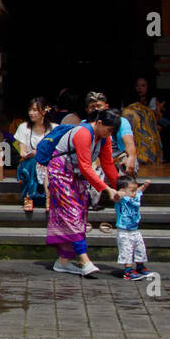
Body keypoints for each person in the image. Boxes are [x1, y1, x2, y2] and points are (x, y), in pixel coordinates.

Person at [45, 109, 122, 277]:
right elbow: (86, 167)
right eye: (109, 130)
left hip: (76, 176)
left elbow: (108, 164)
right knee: (72, 214)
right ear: (100, 123)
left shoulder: (104, 138)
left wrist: (121, 188)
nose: (110, 134)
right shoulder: (83, 133)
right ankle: (84, 260)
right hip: (60, 173)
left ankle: (63, 261)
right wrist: (106, 189)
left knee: (80, 215)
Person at [13, 97, 52, 214]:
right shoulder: (23, 128)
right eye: (30, 110)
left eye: (35, 110)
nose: (31, 113)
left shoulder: (53, 128)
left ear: (44, 111)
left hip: (48, 162)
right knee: (34, 161)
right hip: (28, 162)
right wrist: (32, 154)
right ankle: (28, 197)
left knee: (47, 164)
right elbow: (22, 152)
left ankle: (49, 199)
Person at [85, 91, 135, 175]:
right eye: (92, 107)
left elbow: (129, 143)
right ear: (87, 110)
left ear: (106, 107)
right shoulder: (84, 126)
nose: (96, 109)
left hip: (117, 157)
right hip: (95, 159)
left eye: (99, 106)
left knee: (126, 161)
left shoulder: (121, 121)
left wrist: (131, 157)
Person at [113, 175, 152, 281]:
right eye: (132, 191)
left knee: (140, 248)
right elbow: (115, 197)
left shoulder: (135, 196)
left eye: (135, 190)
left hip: (135, 230)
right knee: (126, 250)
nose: (135, 193)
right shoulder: (121, 200)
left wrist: (145, 185)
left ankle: (140, 266)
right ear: (123, 191)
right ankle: (128, 271)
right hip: (124, 231)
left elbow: (139, 190)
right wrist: (119, 194)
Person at [123, 76, 163, 167]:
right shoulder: (141, 110)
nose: (140, 88)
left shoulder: (128, 112)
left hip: (143, 145)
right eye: (137, 86)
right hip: (149, 146)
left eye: (143, 86)